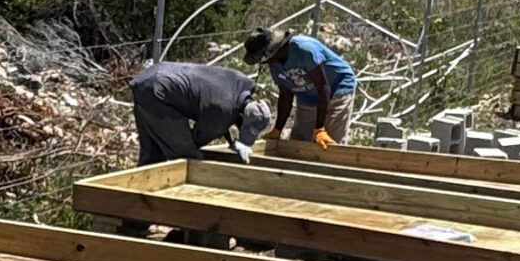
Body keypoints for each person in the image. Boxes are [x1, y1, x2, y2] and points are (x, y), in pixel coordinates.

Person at [129, 60, 272, 165]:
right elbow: (195, 140)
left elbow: (221, 113)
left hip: (151, 77)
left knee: (152, 156)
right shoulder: (223, 111)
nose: (240, 129)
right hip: (160, 92)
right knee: (188, 159)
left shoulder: (239, 84)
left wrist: (231, 141)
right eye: (242, 127)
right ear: (241, 117)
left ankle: (134, 200)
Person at [244, 29, 355, 144]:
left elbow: (323, 87)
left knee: (330, 141)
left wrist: (320, 129)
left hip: (336, 87)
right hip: (307, 94)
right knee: (300, 140)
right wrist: (278, 129)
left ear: (270, 53)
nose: (262, 63)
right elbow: (285, 95)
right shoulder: (275, 64)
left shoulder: (304, 49)